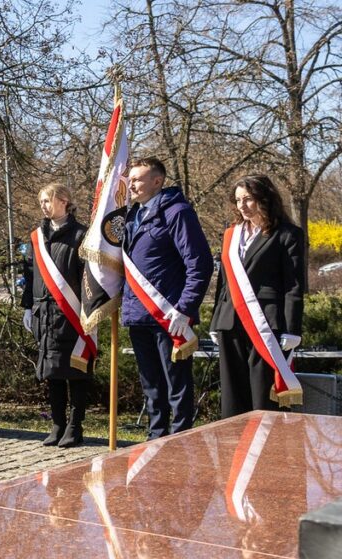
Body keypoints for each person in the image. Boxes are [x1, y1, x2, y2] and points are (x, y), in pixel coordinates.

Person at [122, 158, 213, 440]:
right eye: (131, 179)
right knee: (151, 385)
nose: (132, 184)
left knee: (176, 384)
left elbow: (199, 264)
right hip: (138, 313)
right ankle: (155, 437)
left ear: (157, 181)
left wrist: (185, 308)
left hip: (169, 315)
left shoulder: (177, 212)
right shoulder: (131, 216)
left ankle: (180, 440)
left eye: (138, 179)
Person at [210, 175, 305, 417]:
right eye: (238, 199)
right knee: (233, 393)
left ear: (265, 199)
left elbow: (293, 285)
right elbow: (224, 282)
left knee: (263, 393)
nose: (242, 205)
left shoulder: (287, 234)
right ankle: (236, 448)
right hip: (230, 321)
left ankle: (266, 449)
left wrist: (292, 328)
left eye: (248, 199)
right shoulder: (231, 234)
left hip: (266, 324)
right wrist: (215, 320)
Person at [21, 184, 93, 447]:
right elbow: (29, 275)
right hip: (45, 314)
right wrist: (27, 306)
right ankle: (57, 423)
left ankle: (75, 425)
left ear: (64, 201)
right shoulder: (37, 237)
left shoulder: (81, 235)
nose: (43, 205)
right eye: (41, 201)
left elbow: (89, 277)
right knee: (51, 373)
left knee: (76, 371)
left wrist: (90, 310)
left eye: (48, 200)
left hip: (72, 314)